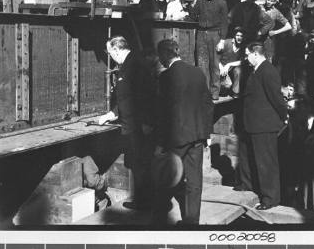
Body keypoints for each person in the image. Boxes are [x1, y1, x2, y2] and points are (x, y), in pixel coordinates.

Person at [152, 39, 214, 225]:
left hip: (176, 139)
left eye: (160, 57)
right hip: (197, 136)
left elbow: (162, 114)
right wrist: (207, 134)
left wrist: (160, 144)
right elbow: (208, 105)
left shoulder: (165, 77)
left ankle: (160, 218)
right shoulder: (197, 72)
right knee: (194, 181)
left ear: (164, 55)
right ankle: (192, 221)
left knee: (167, 178)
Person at [98, 36, 156, 210]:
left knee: (142, 164)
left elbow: (146, 95)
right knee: (138, 164)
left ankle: (145, 204)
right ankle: (143, 201)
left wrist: (146, 122)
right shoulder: (129, 64)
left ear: (117, 50)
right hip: (134, 124)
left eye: (110, 53)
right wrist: (112, 113)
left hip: (140, 126)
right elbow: (126, 96)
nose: (110, 56)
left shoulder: (136, 65)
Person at [237, 42, 288, 210]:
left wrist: (284, 116)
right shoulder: (257, 70)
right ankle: (247, 184)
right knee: (247, 156)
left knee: (266, 163)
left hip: (264, 125)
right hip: (252, 123)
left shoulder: (268, 71)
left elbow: (276, 98)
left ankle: (270, 198)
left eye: (247, 55)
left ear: (256, 54)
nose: (246, 58)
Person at [192, 0, 229, 100]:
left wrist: (222, 40)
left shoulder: (222, 3)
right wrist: (193, 4)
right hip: (201, 33)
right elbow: (193, 16)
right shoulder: (200, 1)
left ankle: (214, 92)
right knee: (202, 64)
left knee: (214, 64)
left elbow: (225, 22)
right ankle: (204, 91)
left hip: (215, 35)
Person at [262, 0, 292, 65]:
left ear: (275, 2)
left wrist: (275, 32)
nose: (269, 2)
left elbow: (288, 26)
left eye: (272, 1)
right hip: (257, 38)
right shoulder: (259, 8)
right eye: (268, 0)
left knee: (268, 62)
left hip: (268, 40)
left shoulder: (276, 12)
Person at [217, 27, 245, 98]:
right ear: (234, 36)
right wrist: (221, 68)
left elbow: (242, 61)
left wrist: (229, 65)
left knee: (238, 70)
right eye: (237, 35)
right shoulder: (226, 42)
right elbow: (216, 57)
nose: (239, 38)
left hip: (231, 68)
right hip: (221, 67)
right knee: (226, 86)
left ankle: (235, 92)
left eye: (241, 36)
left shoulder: (243, 47)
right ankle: (222, 89)